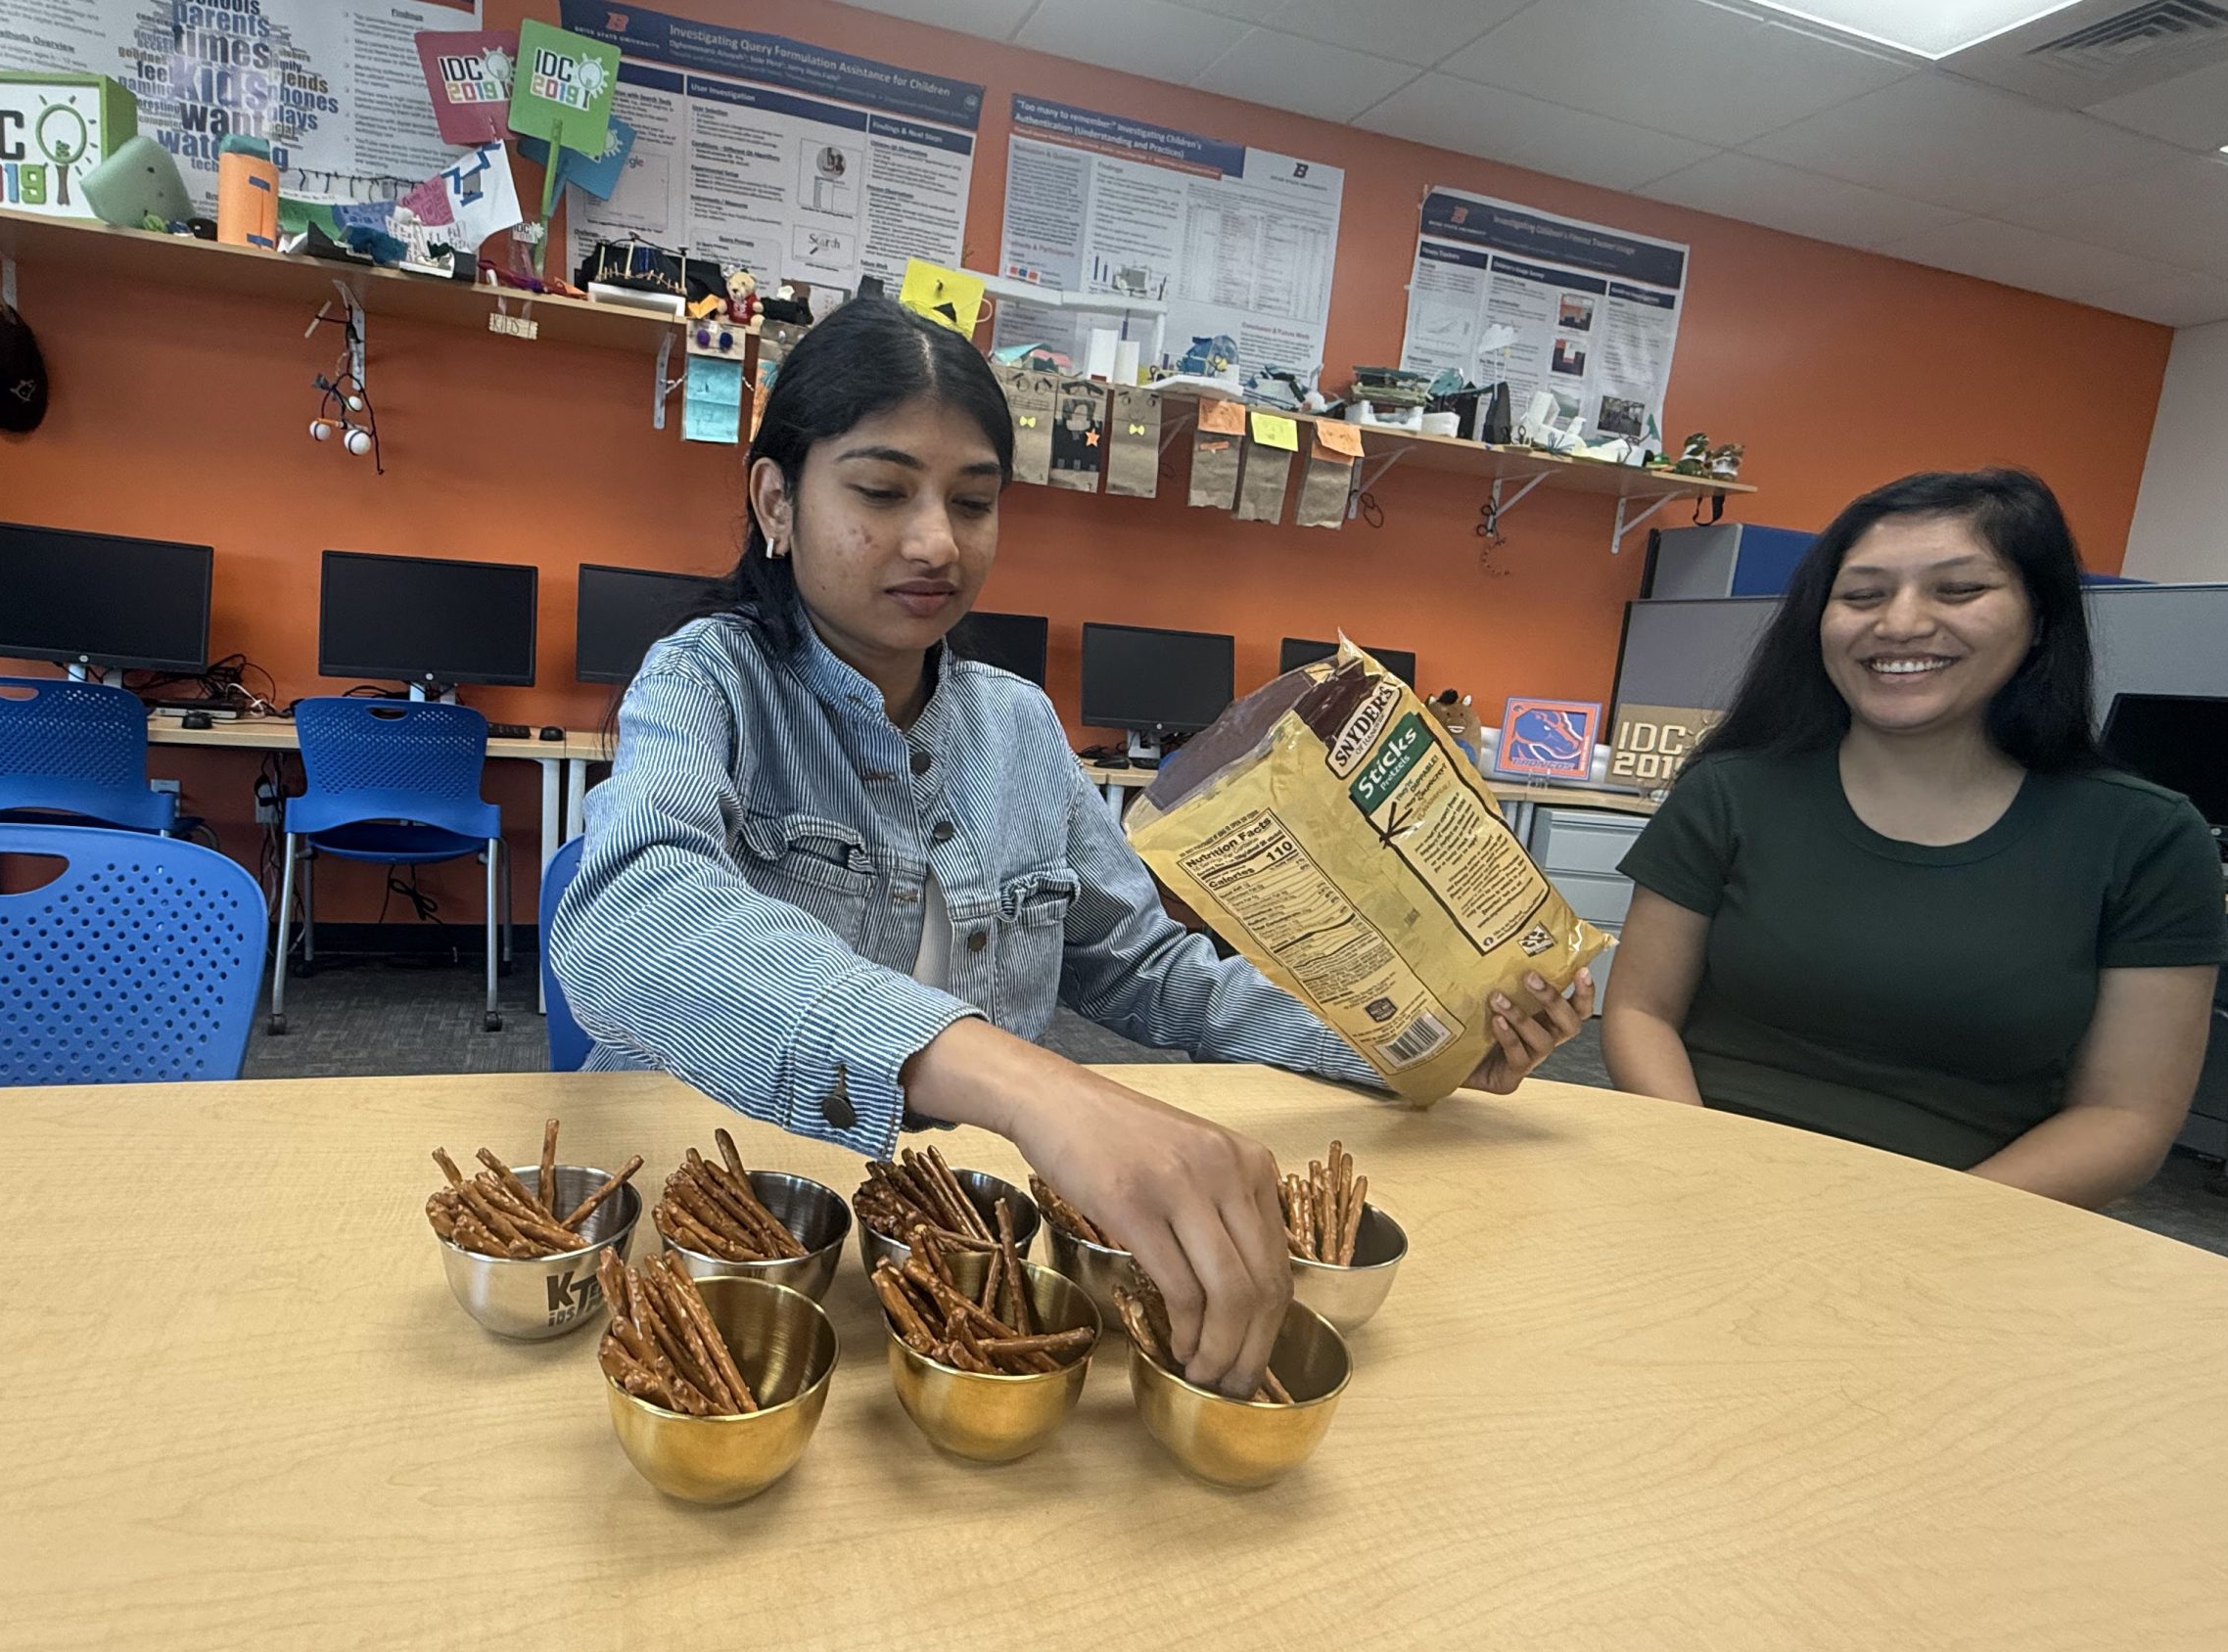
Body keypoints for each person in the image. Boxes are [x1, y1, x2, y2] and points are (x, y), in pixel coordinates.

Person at [548, 298, 1591, 1393]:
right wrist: (1034, 1088)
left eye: (973, 502)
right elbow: (630, 914)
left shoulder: (1019, 725)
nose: (938, 542)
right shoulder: (706, 677)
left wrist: (1417, 1042)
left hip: (957, 1251)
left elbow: (1151, 969)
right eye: (882, 491)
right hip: (729, 1242)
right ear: (777, 499)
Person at [1601, 469, 2228, 1208]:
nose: (1900, 623)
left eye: (1958, 590)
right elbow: (1640, 1013)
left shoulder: (2146, 837)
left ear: (2041, 616)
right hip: (1698, 1187)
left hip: (1965, 1222)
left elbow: (2124, 1118)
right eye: (1862, 595)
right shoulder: (1730, 791)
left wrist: (1916, 1230)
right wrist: (1700, 1173)